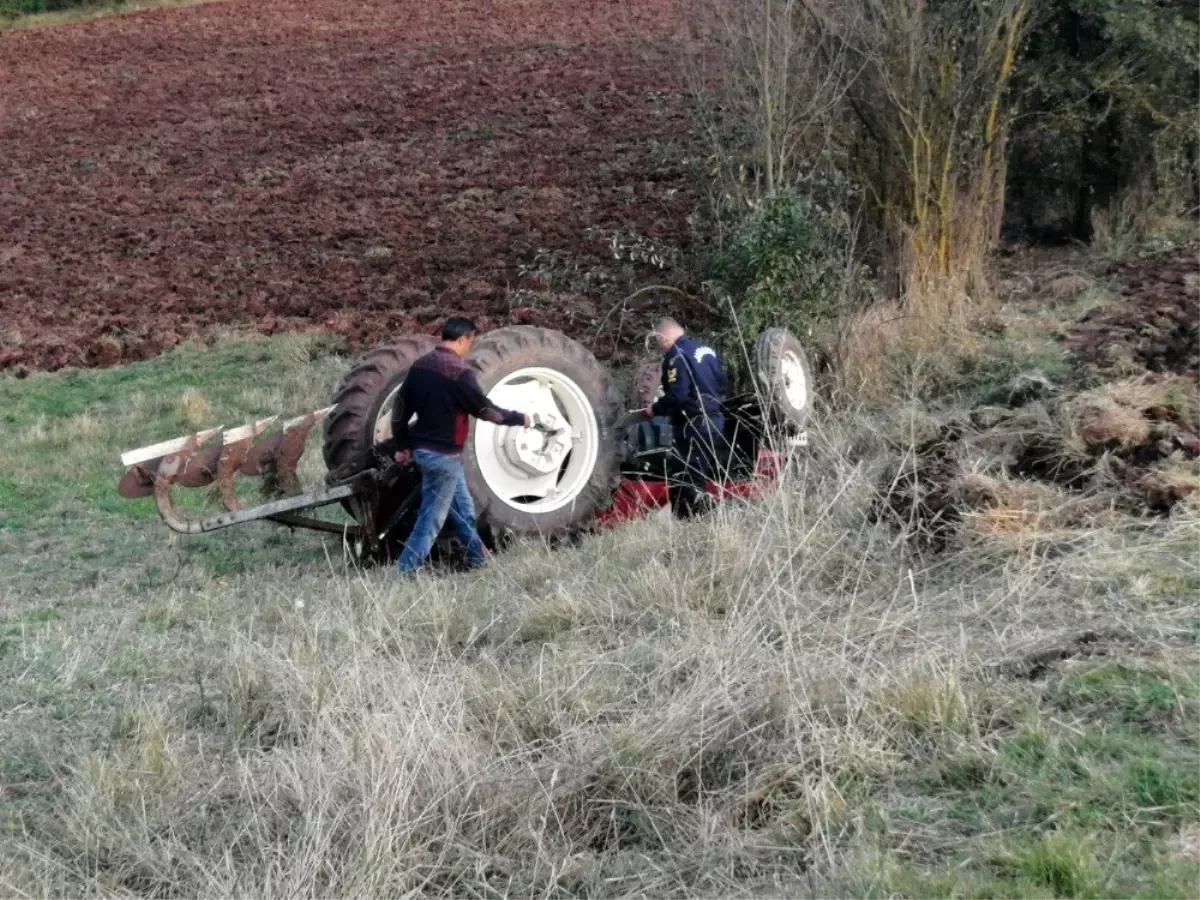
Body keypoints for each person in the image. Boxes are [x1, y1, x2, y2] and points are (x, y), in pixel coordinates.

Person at [391, 317, 530, 573]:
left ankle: (478, 560)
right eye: (471, 341)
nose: (469, 347)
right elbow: (487, 412)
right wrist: (519, 418)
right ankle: (404, 571)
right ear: (464, 338)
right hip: (443, 458)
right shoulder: (459, 373)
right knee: (431, 519)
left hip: (426, 452)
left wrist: (402, 445)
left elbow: (399, 409)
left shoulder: (420, 366)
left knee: (464, 510)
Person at [643, 317, 729, 517]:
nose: (660, 348)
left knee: (686, 476)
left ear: (664, 337)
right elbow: (722, 384)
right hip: (715, 420)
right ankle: (694, 517)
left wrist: (654, 409)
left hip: (693, 423)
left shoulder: (676, 355)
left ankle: (691, 520)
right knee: (701, 471)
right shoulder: (707, 351)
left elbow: (677, 395)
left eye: (658, 342)